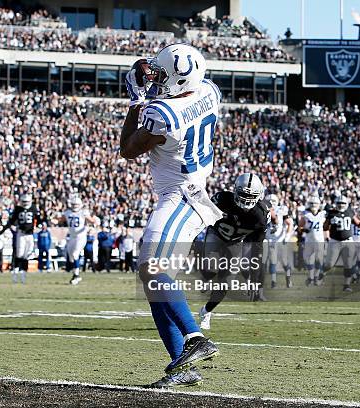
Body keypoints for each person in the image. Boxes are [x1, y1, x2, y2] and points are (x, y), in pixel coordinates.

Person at [120, 43, 221, 387]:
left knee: (152, 269)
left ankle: (195, 338)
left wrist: (135, 99)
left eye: (164, 75)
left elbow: (128, 149)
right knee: (155, 286)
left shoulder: (162, 113)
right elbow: (175, 87)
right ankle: (182, 368)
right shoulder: (209, 90)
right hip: (192, 188)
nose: (158, 80)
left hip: (180, 196)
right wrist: (151, 73)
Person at [198, 174, 271, 330]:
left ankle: (206, 311)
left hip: (235, 242)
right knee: (210, 268)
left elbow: (257, 248)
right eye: (243, 194)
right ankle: (206, 278)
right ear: (235, 190)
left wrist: (254, 278)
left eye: (250, 196)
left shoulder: (260, 216)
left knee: (226, 283)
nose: (246, 200)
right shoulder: (222, 199)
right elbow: (202, 215)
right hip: (216, 235)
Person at [319, 195, 360, 292]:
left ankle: (347, 285)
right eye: (339, 203)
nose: (341, 205)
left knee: (348, 264)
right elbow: (325, 227)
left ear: (346, 204)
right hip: (335, 241)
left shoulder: (350, 212)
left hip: (348, 241)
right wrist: (327, 233)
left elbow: (357, 222)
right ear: (336, 203)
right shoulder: (331, 213)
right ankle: (322, 273)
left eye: (343, 203)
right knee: (329, 264)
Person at [0, 193, 40, 284]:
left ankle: (23, 274)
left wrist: (38, 226)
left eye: (26, 202)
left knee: (27, 255)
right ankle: (15, 272)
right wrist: (9, 227)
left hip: (30, 235)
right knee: (19, 254)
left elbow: (39, 219)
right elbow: (12, 221)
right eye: (23, 202)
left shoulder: (33, 208)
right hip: (21, 233)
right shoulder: (18, 209)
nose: (25, 204)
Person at [56, 196, 98, 284]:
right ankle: (75, 274)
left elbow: (90, 220)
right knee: (71, 257)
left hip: (81, 237)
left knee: (75, 255)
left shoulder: (83, 212)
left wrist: (93, 221)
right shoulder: (67, 212)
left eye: (76, 204)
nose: (75, 206)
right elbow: (61, 220)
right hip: (72, 237)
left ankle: (77, 275)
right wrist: (55, 220)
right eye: (73, 204)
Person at [266, 193, 294, 288]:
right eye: (269, 201)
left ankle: (288, 278)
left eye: (273, 201)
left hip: (280, 239)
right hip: (269, 239)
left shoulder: (281, 210)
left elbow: (289, 223)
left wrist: (287, 236)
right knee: (272, 260)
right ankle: (273, 282)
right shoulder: (263, 210)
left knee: (284, 261)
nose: (271, 203)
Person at [298, 195, 327, 286]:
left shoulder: (323, 214)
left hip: (319, 240)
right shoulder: (305, 214)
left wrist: (327, 238)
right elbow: (300, 227)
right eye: (312, 203)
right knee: (309, 260)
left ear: (319, 204)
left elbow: (326, 227)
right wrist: (303, 230)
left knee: (319, 259)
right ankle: (310, 277)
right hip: (309, 240)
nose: (313, 205)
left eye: (315, 203)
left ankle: (316, 277)